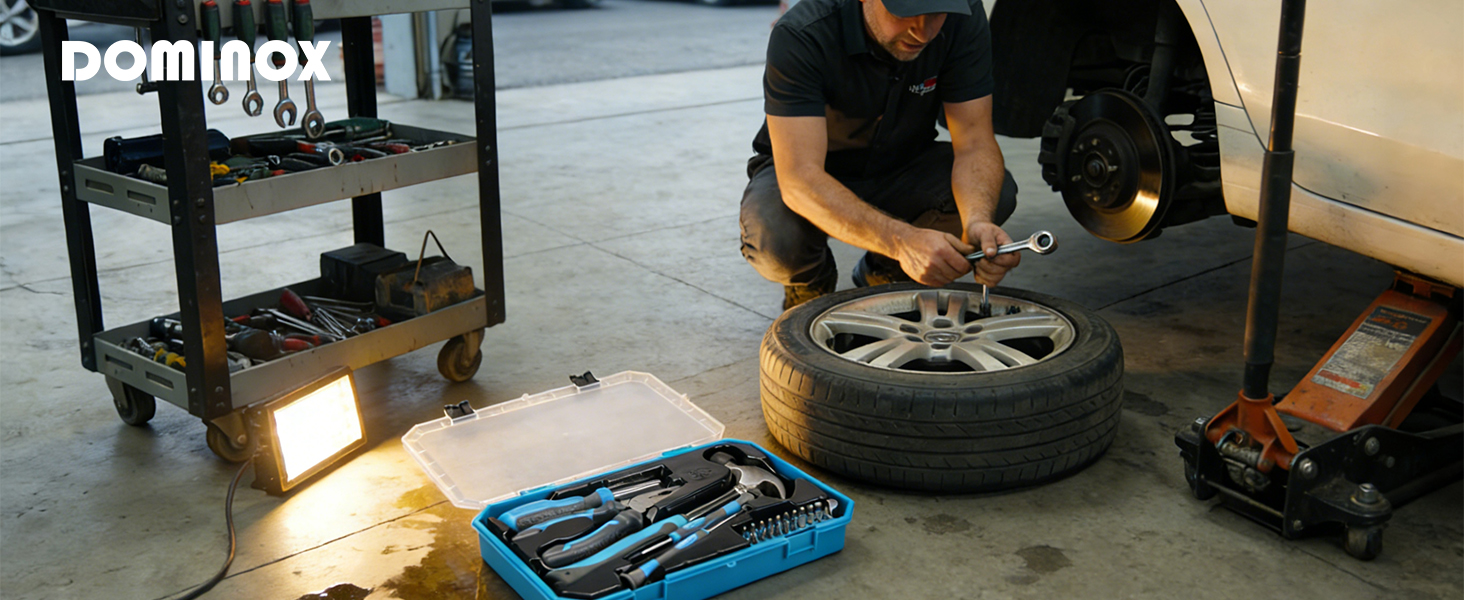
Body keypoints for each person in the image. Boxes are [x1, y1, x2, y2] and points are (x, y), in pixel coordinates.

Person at [740, 0, 1020, 310]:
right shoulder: (803, 33)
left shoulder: (962, 16)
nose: (923, 31)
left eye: (936, 14)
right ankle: (810, 283)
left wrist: (977, 224)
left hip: (904, 164)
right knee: (775, 239)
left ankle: (885, 275)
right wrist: (901, 241)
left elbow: (975, 142)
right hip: (815, 171)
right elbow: (800, 179)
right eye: (908, 12)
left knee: (995, 194)